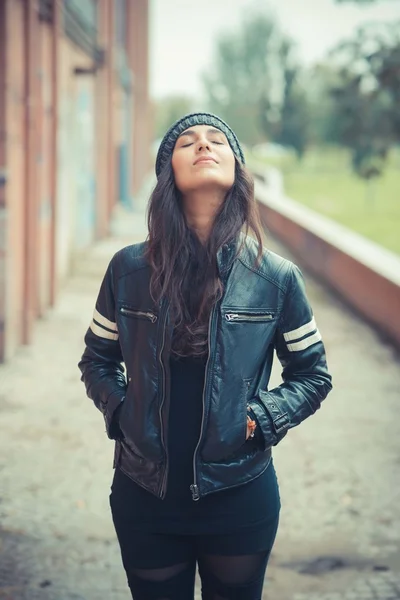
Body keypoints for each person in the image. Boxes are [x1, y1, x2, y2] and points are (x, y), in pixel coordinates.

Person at [78, 112, 332, 600]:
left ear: (236, 169)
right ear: (166, 171)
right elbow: (97, 359)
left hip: (239, 492)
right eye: (186, 142)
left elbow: (312, 374)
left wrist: (262, 415)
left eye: (217, 140)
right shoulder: (128, 269)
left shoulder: (275, 278)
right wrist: (122, 410)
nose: (203, 146)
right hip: (144, 490)